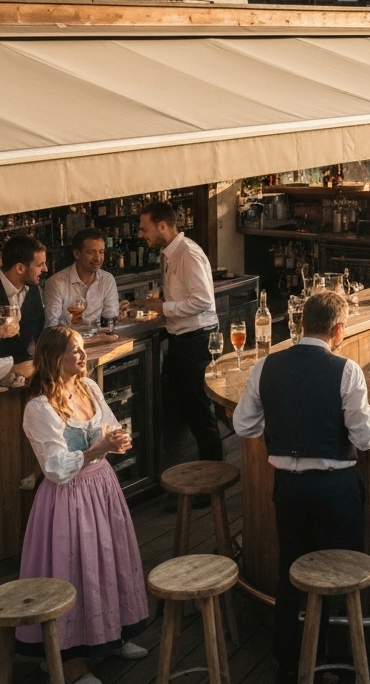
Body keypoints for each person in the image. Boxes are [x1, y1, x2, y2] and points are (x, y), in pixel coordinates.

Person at [233, 290, 370, 684]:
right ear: (338, 330)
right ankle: (336, 660)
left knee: (291, 572)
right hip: (335, 489)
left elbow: (243, 426)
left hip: (287, 487)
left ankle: (289, 662)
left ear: (301, 325)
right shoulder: (347, 370)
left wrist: (285, 424)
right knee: (340, 573)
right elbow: (365, 437)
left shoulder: (265, 366)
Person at [17, 327, 149, 684]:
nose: (82, 355)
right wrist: (96, 450)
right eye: (74, 350)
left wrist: (116, 439)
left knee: (109, 562)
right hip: (68, 499)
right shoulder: (39, 407)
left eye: (82, 348)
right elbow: (56, 467)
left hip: (101, 487)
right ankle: (72, 663)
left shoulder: (88, 387)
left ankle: (113, 635)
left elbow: (109, 425)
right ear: (53, 358)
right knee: (76, 570)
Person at [138, 200, 222, 461]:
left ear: (162, 226)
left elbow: (202, 301)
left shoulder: (188, 254)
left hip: (195, 340)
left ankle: (212, 476)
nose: (142, 235)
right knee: (183, 407)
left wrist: (164, 307)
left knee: (198, 410)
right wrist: (154, 304)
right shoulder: (170, 253)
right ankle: (186, 468)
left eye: (145, 229)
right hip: (181, 340)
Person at [44, 230, 128, 336]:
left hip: (101, 343)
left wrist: (116, 316)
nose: (98, 258)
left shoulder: (107, 280)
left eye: (101, 252)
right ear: (77, 254)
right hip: (67, 347)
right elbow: (51, 328)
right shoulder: (56, 283)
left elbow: (109, 321)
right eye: (91, 252)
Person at [0, 235, 47, 363]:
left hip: (24, 368)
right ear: (20, 268)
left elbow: (38, 329)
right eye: (40, 265)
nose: (45, 269)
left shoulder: (32, 289)